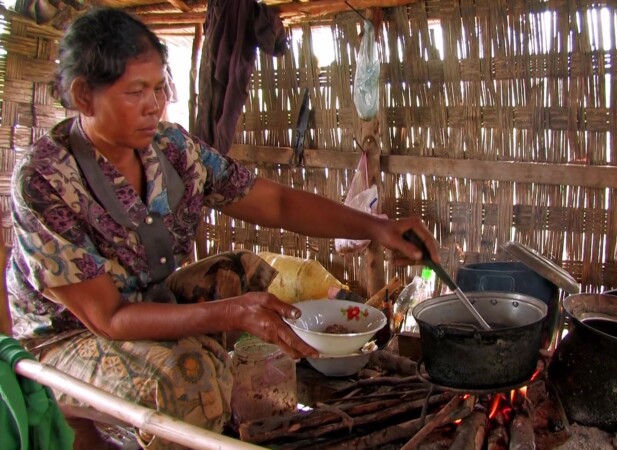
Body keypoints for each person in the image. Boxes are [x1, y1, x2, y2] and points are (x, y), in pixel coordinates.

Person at [6, 7, 440, 450]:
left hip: (144, 300)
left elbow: (277, 201)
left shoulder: (172, 150)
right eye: (135, 91)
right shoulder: (46, 179)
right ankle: (183, 402)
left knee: (243, 270)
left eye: (159, 88)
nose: (154, 105)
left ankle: (221, 402)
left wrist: (378, 227)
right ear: (83, 96)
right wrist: (232, 312)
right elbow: (110, 319)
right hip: (68, 336)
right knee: (188, 377)